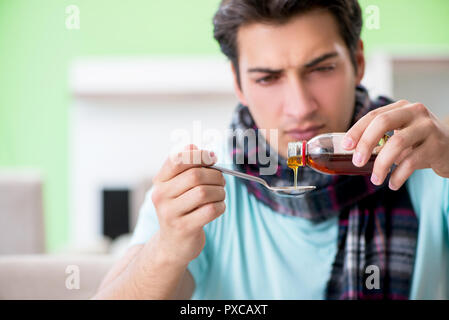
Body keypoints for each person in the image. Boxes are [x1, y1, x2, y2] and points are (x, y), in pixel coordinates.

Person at [93, 0, 449, 300]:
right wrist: (167, 250)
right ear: (238, 83)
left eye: (322, 68)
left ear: (357, 61)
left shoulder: (427, 163)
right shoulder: (205, 188)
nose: (300, 107)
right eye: (267, 78)